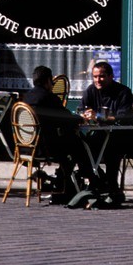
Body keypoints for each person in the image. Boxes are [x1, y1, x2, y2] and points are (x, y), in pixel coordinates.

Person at [78, 59, 133, 205]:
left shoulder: (123, 92)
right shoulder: (91, 90)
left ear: (111, 76)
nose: (98, 80)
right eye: (95, 76)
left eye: (102, 76)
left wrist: (98, 117)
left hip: (121, 136)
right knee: (79, 146)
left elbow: (123, 117)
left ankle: (111, 186)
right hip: (98, 135)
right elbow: (81, 109)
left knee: (111, 149)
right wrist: (85, 115)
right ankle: (94, 180)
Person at [22, 65, 85, 195]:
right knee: (77, 145)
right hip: (44, 148)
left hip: (25, 147)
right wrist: (81, 118)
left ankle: (62, 181)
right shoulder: (49, 98)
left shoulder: (26, 97)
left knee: (72, 144)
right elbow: (66, 117)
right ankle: (68, 183)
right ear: (48, 81)